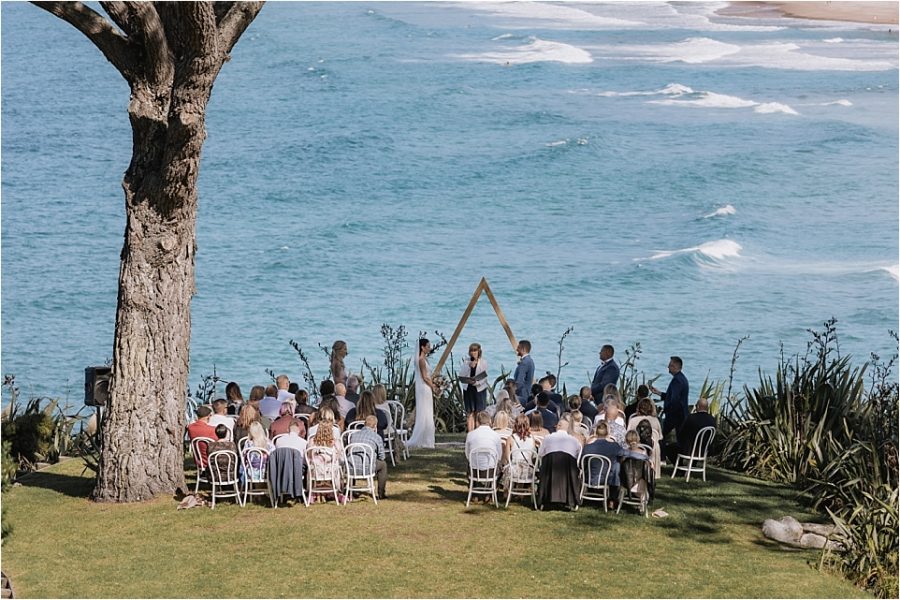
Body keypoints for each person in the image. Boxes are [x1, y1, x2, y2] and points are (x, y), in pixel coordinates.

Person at [582, 421, 624, 508]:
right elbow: (624, 453)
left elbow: (582, 462)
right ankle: (612, 498)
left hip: (590, 477)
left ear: (595, 433)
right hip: (607, 479)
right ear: (608, 433)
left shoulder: (587, 447)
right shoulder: (613, 446)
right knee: (617, 465)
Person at [307, 407, 344, 498]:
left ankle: (314, 491)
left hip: (315, 466)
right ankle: (335, 489)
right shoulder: (335, 430)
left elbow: (309, 449)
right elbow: (339, 450)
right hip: (331, 465)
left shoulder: (311, 430)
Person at [666, 397, 716, 464]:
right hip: (704, 451)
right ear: (707, 407)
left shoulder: (691, 418)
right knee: (694, 445)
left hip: (689, 450)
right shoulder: (712, 420)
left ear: (697, 406)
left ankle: (679, 467)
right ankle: (692, 465)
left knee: (669, 448)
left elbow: (682, 434)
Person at [349, 415, 388, 499]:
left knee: (354, 459)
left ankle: (351, 489)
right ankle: (381, 493)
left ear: (364, 424)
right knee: (383, 465)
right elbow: (382, 457)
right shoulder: (376, 437)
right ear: (375, 426)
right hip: (367, 468)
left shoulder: (353, 435)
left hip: (351, 468)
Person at [650, 356, 690, 441]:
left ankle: (661, 452)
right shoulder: (682, 378)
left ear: (675, 367)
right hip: (680, 414)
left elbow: (674, 399)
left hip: (675, 415)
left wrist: (667, 410)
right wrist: (659, 393)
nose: (668, 367)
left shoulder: (677, 381)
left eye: (670, 365)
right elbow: (672, 396)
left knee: (661, 436)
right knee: (678, 437)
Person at [407, 338, 436, 449]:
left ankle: (426, 437)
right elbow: (424, 377)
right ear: (422, 347)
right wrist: (433, 386)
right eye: (427, 346)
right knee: (425, 411)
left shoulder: (424, 359)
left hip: (424, 387)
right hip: (424, 388)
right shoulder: (421, 360)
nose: (429, 348)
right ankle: (424, 439)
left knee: (427, 411)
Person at [465, 411, 503, 494]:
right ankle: (491, 490)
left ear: (477, 422)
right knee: (500, 466)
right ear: (489, 421)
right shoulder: (495, 435)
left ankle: (474, 491)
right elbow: (499, 456)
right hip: (491, 471)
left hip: (474, 470)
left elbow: (467, 454)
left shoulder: (470, 435)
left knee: (469, 463)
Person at [627, 397, 663, 478]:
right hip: (652, 447)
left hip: (637, 446)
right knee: (657, 445)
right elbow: (660, 437)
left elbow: (628, 435)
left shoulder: (633, 420)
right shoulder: (655, 420)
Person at [459, 342, 489, 432]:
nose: (473, 353)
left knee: (478, 412)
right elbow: (462, 375)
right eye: (471, 351)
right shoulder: (466, 361)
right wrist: (469, 366)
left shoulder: (483, 362)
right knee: (469, 412)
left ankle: (478, 432)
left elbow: (484, 377)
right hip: (468, 389)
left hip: (479, 389)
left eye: (475, 351)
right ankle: (470, 433)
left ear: (479, 351)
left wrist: (476, 382)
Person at [502, 414, 537, 490]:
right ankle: (520, 491)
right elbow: (533, 456)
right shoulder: (532, 438)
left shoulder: (511, 438)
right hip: (528, 471)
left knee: (508, 468)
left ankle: (506, 492)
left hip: (514, 470)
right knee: (522, 465)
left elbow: (507, 457)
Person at [512, 340, 534, 407]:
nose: (516, 349)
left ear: (523, 349)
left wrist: (513, 392)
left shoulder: (524, 363)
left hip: (521, 393)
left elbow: (519, 381)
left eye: (518, 347)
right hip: (527, 392)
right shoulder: (530, 360)